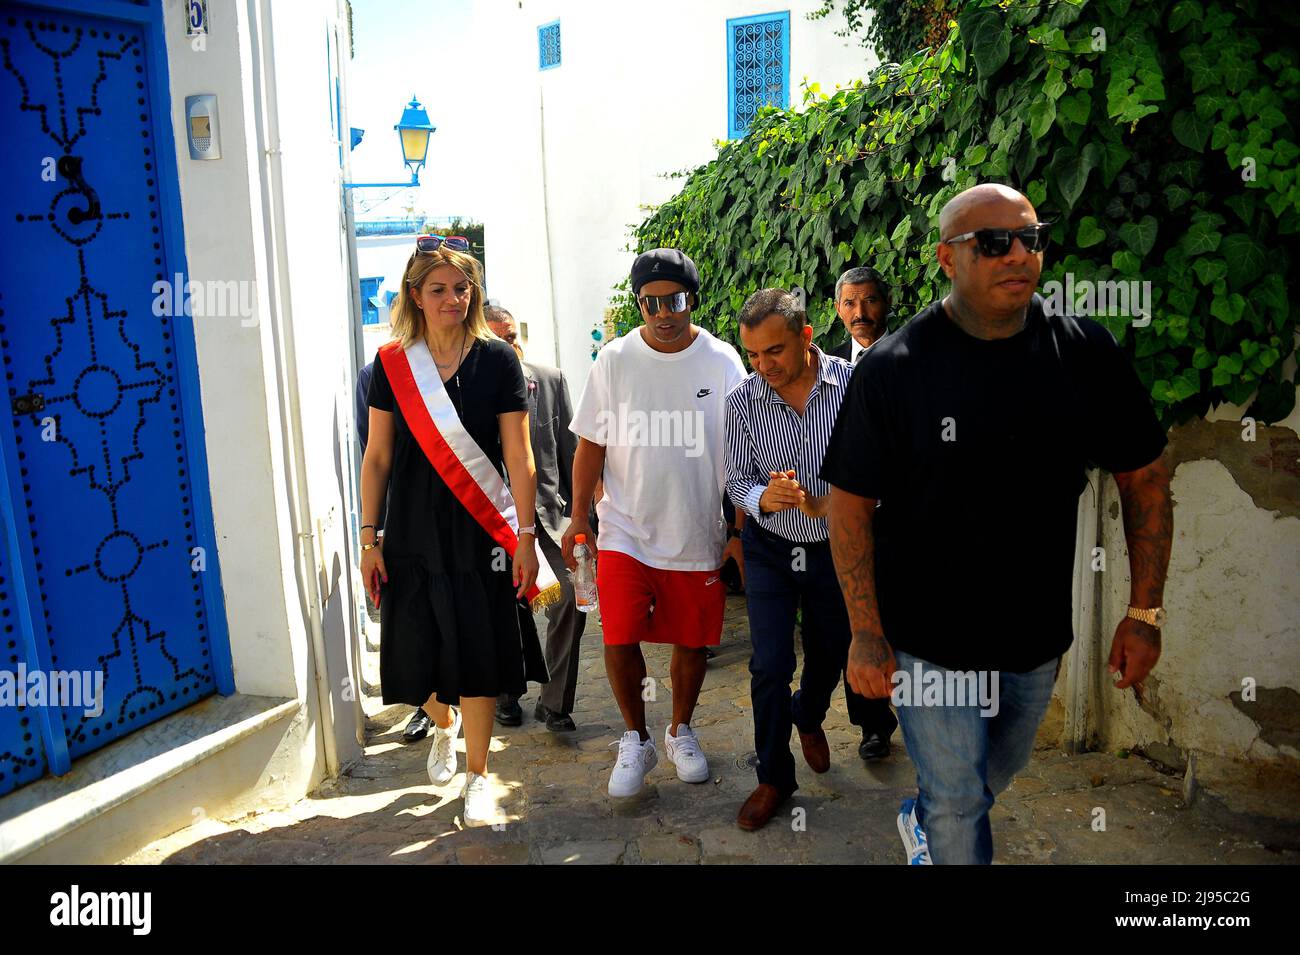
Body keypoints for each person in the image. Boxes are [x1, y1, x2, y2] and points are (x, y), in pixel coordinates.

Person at [821, 183, 1172, 864]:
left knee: (990, 778)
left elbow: (1145, 475)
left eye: (1030, 238)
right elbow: (849, 505)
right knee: (959, 802)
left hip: (1033, 637)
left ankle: (925, 814)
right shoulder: (893, 369)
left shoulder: (1082, 351)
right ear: (947, 259)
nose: (1017, 254)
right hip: (925, 637)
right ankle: (940, 822)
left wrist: (1145, 611)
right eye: (992, 242)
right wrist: (866, 630)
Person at [360, 235, 554, 827]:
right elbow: (377, 458)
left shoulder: (497, 360)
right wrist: (369, 539)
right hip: (411, 532)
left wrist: (525, 534)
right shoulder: (391, 365)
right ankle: (439, 723)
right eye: (438, 289)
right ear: (415, 296)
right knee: (415, 649)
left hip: (478, 535)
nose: (451, 298)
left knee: (475, 651)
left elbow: (519, 457)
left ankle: (477, 774)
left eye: (461, 288)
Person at [564, 248, 746, 797]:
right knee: (618, 636)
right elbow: (590, 445)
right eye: (651, 303)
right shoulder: (615, 361)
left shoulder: (722, 361)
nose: (663, 312)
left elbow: (744, 445)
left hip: (696, 531)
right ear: (639, 304)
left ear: (692, 299)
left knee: (692, 642)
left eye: (675, 300)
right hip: (624, 528)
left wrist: (736, 529)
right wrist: (579, 520)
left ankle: (680, 729)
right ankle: (636, 738)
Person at [723, 288, 896, 831]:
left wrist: (835, 505)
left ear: (806, 336)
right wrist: (759, 499)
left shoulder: (856, 386)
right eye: (752, 354)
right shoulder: (741, 401)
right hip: (772, 548)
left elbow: (891, 472)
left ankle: (809, 712)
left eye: (773, 351)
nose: (762, 365)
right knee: (769, 664)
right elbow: (734, 479)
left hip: (838, 550)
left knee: (830, 653)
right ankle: (773, 776)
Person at [485, 305, 588, 732]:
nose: (506, 346)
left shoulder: (549, 379)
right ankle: (507, 695)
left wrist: (583, 518)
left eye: (510, 337)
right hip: (491, 522)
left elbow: (571, 452)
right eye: (495, 340)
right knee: (503, 607)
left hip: (548, 518)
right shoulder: (465, 391)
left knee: (571, 601)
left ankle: (555, 703)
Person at [828, 266, 892, 365]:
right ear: (838, 310)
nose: (860, 314)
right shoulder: (825, 367)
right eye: (849, 303)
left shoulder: (916, 357)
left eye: (869, 301)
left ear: (888, 303)